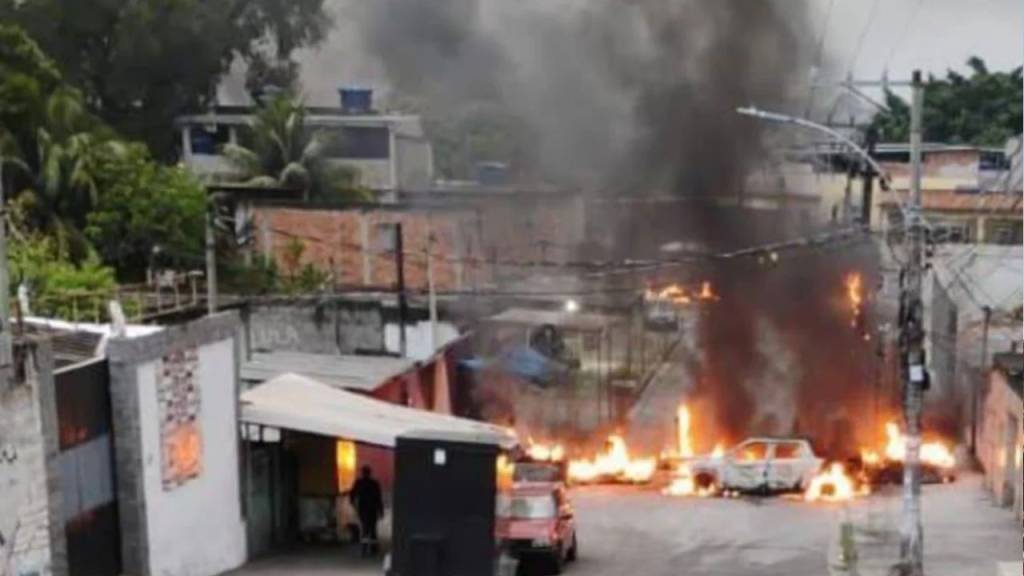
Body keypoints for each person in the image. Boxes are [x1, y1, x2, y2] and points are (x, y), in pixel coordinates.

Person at [349, 466, 384, 557]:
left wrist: (352, 503)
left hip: (363, 509)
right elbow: (378, 498)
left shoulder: (359, 483)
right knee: (373, 529)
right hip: (373, 509)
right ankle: (373, 549)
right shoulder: (374, 483)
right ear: (370, 473)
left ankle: (364, 549)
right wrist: (381, 511)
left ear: (363, 473)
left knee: (365, 528)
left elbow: (352, 494)